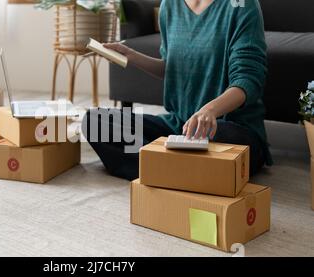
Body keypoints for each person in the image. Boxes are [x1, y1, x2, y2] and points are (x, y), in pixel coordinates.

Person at [82, 0, 272, 181]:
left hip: (228, 126)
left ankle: (163, 168)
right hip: (180, 126)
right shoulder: (170, 5)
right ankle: (183, 173)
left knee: (222, 139)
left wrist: (210, 110)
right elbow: (171, 67)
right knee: (96, 122)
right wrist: (132, 56)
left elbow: (248, 80)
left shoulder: (241, 5)